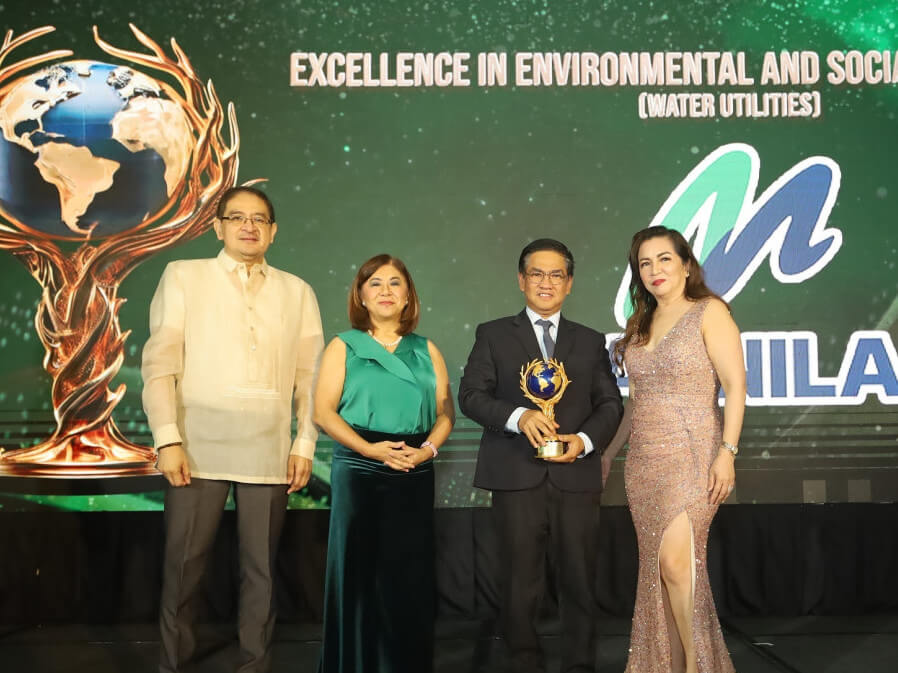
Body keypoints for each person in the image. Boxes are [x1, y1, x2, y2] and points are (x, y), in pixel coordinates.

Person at [141, 186, 324, 673]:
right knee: (184, 567)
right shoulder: (184, 276)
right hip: (195, 447)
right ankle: (173, 665)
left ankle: (254, 664)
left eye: (259, 219)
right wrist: (167, 438)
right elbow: (159, 365)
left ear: (273, 231)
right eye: (237, 217)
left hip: (268, 450)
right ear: (217, 227)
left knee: (261, 571)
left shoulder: (297, 291)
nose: (249, 226)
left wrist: (304, 442)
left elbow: (310, 377)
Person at [458, 239, 623, 673]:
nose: (545, 282)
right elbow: (471, 396)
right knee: (519, 584)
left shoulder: (590, 341)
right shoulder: (493, 334)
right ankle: (523, 664)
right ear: (521, 280)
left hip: (576, 477)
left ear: (569, 284)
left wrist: (583, 441)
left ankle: (580, 666)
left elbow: (610, 404)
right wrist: (519, 417)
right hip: (515, 476)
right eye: (536, 273)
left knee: (580, 583)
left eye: (556, 275)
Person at [603, 225, 745, 673]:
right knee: (660, 572)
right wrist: (608, 453)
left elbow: (736, 386)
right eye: (644, 263)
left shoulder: (709, 312)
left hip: (693, 453)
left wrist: (727, 452)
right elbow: (637, 403)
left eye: (664, 259)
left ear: (686, 265)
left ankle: (697, 667)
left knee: (677, 564)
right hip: (643, 462)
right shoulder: (640, 325)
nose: (655, 270)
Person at [314, 254, 455, 673]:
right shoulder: (343, 346)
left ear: (408, 295)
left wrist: (427, 450)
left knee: (408, 578)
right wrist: (369, 450)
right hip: (360, 470)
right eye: (375, 283)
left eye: (395, 283)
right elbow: (323, 413)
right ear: (361, 295)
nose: (386, 291)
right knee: (359, 576)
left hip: (414, 469)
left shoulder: (427, 349)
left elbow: (446, 413)